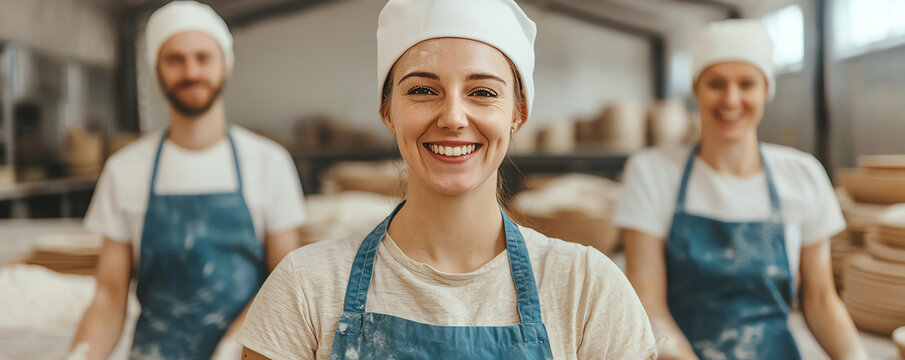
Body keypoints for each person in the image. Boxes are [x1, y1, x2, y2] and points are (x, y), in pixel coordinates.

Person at [236, 0, 657, 358]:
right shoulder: (306, 288)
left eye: (483, 92)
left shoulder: (587, 289)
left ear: (518, 114)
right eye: (422, 90)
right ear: (387, 112)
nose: (453, 117)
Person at [616, 19, 867, 360]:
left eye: (746, 84)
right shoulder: (651, 172)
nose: (731, 99)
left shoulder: (802, 175)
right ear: (696, 89)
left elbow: (821, 299)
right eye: (716, 84)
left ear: (766, 90)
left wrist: (856, 356)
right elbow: (647, 302)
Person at [67, 2, 306, 359]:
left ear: (225, 64)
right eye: (175, 59)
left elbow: (286, 283)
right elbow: (109, 296)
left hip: (246, 352)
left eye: (202, 57)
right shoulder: (124, 169)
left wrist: (232, 347)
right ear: (156, 70)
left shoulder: (269, 163)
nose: (190, 71)